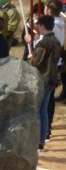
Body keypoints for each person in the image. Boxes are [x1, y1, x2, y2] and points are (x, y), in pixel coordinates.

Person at [29, 15, 61, 151]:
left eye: (38, 26)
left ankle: (36, 141)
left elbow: (36, 63)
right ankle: (41, 141)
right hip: (52, 79)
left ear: (42, 26)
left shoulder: (44, 43)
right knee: (44, 111)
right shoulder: (56, 41)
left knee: (37, 110)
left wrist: (31, 57)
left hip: (42, 79)